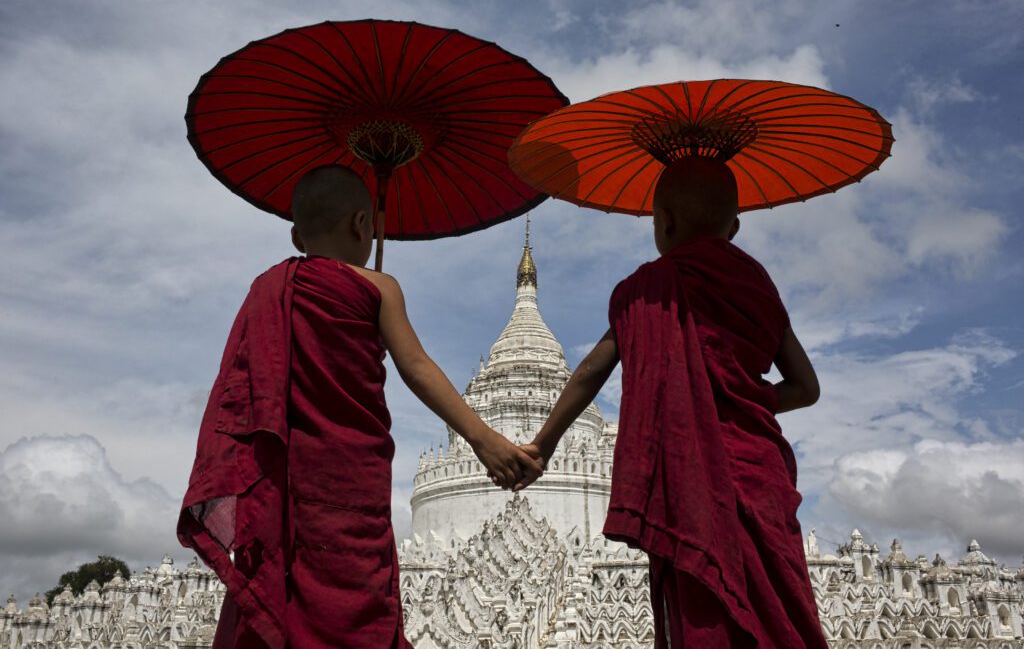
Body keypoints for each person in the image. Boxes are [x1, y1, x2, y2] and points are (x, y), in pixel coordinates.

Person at [178, 165, 543, 649]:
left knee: (284, 602)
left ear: (295, 234)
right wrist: (485, 440)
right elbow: (416, 367)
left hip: (290, 483)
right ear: (362, 225)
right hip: (349, 486)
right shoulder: (380, 287)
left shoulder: (271, 290)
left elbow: (247, 393)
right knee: (354, 609)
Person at [514, 157, 827, 647]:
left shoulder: (646, 290)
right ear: (736, 227)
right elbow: (806, 388)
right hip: (757, 472)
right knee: (780, 610)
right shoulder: (758, 284)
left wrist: (542, 445)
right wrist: (743, 400)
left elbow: (592, 370)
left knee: (704, 605)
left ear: (664, 222)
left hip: (689, 478)